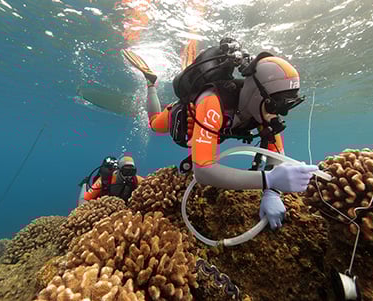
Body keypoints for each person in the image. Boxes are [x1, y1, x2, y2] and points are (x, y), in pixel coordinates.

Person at [123, 39, 319, 230]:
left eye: (287, 105)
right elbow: (203, 171)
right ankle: (151, 83)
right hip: (187, 117)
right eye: (276, 104)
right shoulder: (213, 101)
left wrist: (272, 193)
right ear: (257, 94)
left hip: (217, 127)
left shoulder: (262, 111)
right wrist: (268, 180)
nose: (278, 114)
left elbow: (276, 156)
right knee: (155, 124)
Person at [78, 155, 144, 206]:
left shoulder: (135, 179)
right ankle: (85, 183)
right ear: (119, 170)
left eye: (132, 172)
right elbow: (85, 199)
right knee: (84, 195)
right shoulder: (105, 179)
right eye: (126, 171)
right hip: (103, 204)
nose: (128, 175)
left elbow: (149, 183)